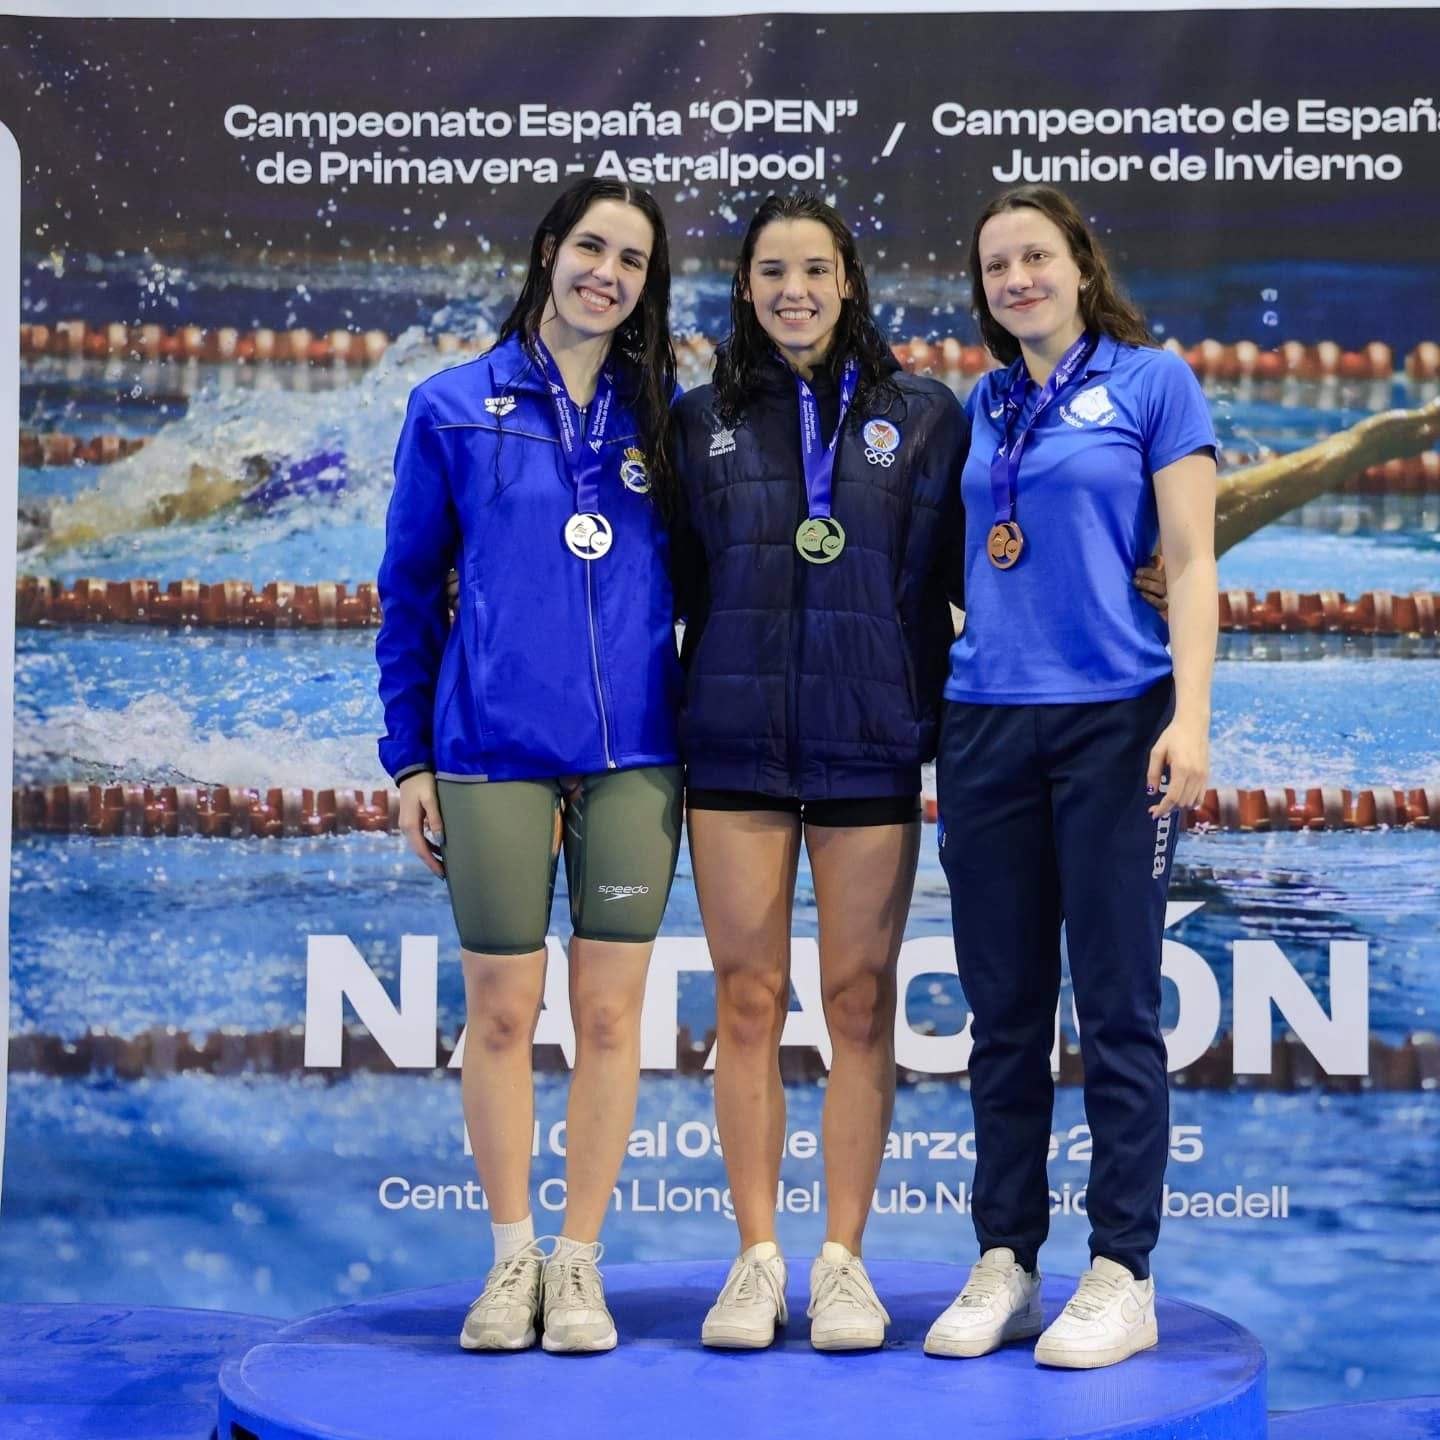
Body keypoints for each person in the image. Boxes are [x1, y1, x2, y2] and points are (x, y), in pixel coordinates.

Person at [375, 177, 683, 1355]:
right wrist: (409, 758)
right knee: (502, 1013)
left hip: (639, 756)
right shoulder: (452, 407)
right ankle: (511, 1260)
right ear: (550, 253)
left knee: (610, 1018)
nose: (607, 273)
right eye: (590, 247)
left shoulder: (667, 416)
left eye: (633, 260)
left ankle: (581, 1262)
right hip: (491, 747)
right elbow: (407, 596)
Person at [669, 193, 971, 1353]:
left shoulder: (923, 417)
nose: (794, 289)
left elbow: (976, 569)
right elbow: (676, 587)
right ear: (746, 288)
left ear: (850, 282)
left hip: (869, 741)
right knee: (746, 1001)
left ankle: (842, 1261)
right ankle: (756, 1260)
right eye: (771, 271)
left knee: (859, 1004)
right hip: (736, 745)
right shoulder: (700, 424)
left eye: (815, 269)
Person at [926, 183, 1218, 1370]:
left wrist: (1190, 716)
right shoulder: (980, 405)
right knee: (1001, 1014)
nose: (1016, 280)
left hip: (1115, 723)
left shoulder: (1154, 383)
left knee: (1115, 1007)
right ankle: (1006, 1255)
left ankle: (1122, 1269)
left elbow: (1191, 564)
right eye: (996, 266)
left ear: (1080, 266)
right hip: (986, 725)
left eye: (1035, 257)